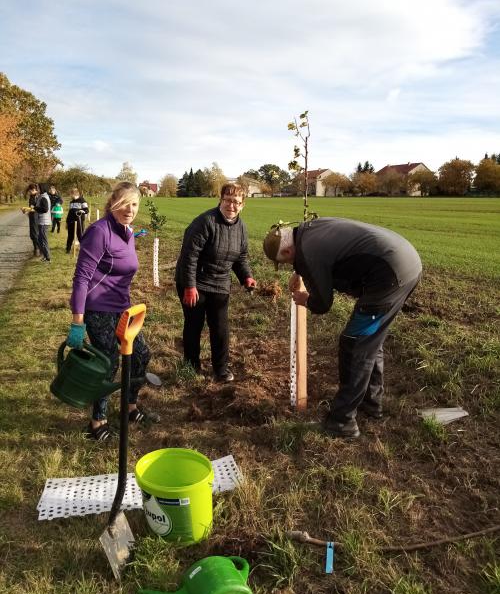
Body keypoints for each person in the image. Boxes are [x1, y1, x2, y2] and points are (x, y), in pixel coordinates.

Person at [263, 217, 422, 439]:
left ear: (289, 253)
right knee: (370, 341)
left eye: (287, 263)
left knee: (354, 344)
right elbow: (317, 254)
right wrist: (300, 271)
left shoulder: (308, 253)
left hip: (389, 274)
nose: (289, 266)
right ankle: (371, 404)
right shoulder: (309, 230)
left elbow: (323, 304)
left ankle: (343, 421)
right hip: (406, 261)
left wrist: (304, 299)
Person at [66, 182, 154, 441]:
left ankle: (130, 406)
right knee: (108, 363)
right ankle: (97, 422)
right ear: (112, 202)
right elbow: (82, 278)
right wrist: (77, 321)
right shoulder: (99, 232)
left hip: (122, 308)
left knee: (140, 355)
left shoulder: (128, 231)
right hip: (97, 309)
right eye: (124, 202)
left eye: (135, 204)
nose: (130, 209)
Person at [175, 183, 256, 382]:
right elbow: (189, 256)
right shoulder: (205, 222)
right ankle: (191, 365)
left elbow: (241, 257)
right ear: (220, 200)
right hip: (195, 281)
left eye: (237, 202)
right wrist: (189, 286)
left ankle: (221, 369)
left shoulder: (241, 228)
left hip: (220, 282)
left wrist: (247, 276)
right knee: (194, 324)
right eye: (228, 200)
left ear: (242, 205)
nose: (231, 205)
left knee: (220, 327)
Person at [66, 187, 89, 253]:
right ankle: (68, 249)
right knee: (70, 236)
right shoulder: (71, 202)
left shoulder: (82, 201)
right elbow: (70, 212)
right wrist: (67, 222)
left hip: (79, 221)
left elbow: (87, 210)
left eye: (71, 194)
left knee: (80, 236)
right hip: (71, 221)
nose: (70, 196)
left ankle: (83, 250)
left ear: (75, 194)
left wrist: (82, 211)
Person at [33, 183, 52, 262]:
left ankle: (48, 258)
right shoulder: (41, 196)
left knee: (43, 240)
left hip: (44, 222)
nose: (37, 190)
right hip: (41, 221)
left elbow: (45, 209)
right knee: (40, 240)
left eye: (38, 188)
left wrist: (35, 207)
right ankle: (45, 256)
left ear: (42, 188)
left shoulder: (44, 197)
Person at [23, 183, 39, 256]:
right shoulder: (31, 197)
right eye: (29, 191)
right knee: (32, 234)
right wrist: (26, 210)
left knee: (35, 234)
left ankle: (38, 249)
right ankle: (35, 248)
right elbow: (31, 207)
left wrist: (28, 209)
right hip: (31, 217)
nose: (30, 192)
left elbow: (38, 209)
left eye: (31, 190)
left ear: (35, 190)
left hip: (36, 217)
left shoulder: (38, 197)